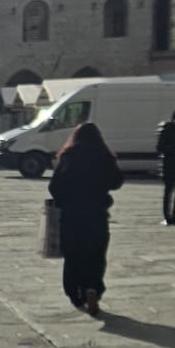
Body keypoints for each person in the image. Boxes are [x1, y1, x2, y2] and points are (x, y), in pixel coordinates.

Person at [48, 122, 125, 316]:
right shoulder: (104, 156)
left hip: (71, 216)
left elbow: (54, 187)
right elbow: (117, 181)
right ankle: (92, 287)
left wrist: (63, 200)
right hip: (97, 215)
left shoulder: (68, 156)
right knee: (96, 256)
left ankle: (75, 293)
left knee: (73, 256)